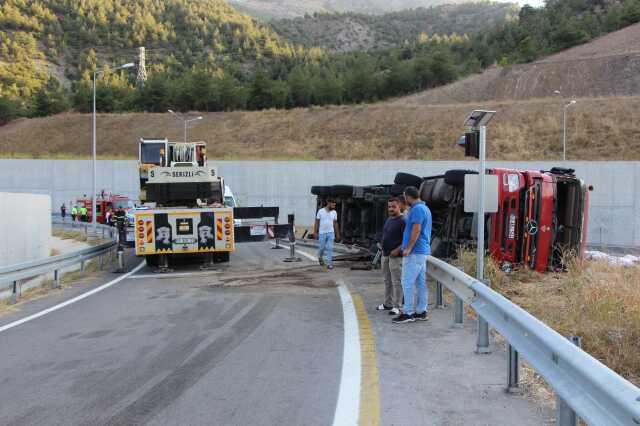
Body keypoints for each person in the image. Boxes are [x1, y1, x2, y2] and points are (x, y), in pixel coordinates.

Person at [393, 186, 432, 324]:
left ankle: (408, 312)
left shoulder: (417, 209)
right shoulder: (424, 208)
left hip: (415, 252)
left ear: (408, 197)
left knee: (407, 282)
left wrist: (408, 248)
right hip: (421, 251)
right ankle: (421, 312)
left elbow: (416, 229)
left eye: (405, 197)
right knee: (420, 283)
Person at [377, 198, 405, 316]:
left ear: (399, 207)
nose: (391, 209)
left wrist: (397, 250)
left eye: (394, 207)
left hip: (396, 257)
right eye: (389, 207)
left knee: (396, 281)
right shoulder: (389, 219)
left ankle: (397, 306)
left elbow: (407, 240)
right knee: (387, 281)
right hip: (385, 255)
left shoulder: (404, 220)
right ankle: (388, 303)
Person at [314, 198, 340, 270]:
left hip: (331, 233)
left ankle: (329, 264)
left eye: (335, 204)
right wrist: (315, 232)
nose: (334, 206)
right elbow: (317, 222)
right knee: (322, 248)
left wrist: (337, 234)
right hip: (322, 233)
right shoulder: (320, 211)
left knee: (330, 248)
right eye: (333, 204)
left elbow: (335, 223)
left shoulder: (334, 212)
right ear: (328, 203)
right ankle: (320, 257)